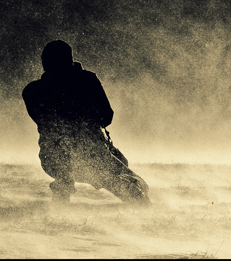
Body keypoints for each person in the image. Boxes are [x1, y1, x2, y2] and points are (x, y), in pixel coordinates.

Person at [22, 40, 149, 204]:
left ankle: (60, 206)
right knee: (128, 182)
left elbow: (41, 119)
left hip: (52, 158)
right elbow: (106, 117)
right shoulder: (87, 80)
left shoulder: (33, 91)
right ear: (70, 60)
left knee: (69, 174)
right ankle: (144, 208)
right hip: (91, 155)